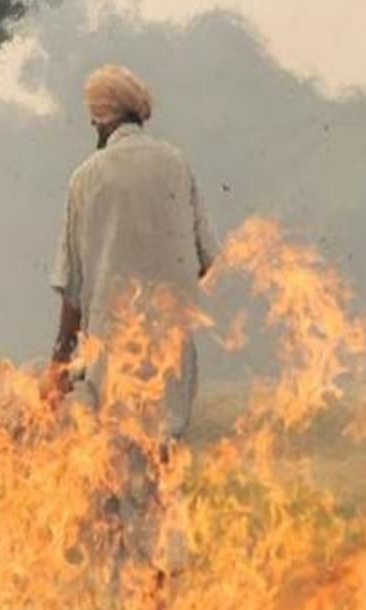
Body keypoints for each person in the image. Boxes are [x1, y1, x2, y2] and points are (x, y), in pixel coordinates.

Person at [47, 64, 218, 444]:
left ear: (101, 120)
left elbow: (73, 290)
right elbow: (206, 261)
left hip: (110, 350)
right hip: (172, 350)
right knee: (161, 459)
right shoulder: (177, 164)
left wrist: (58, 363)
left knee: (111, 467)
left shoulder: (85, 177)